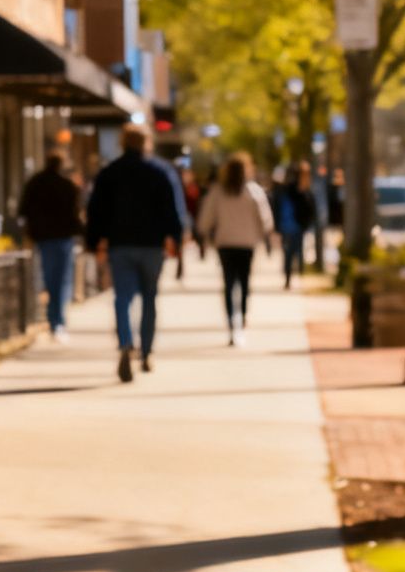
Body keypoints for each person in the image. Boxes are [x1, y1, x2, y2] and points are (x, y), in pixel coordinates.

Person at [85, 125, 187, 383]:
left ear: (123, 143)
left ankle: (125, 342)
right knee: (150, 298)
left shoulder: (110, 172)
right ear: (147, 143)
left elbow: (96, 210)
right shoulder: (161, 171)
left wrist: (93, 241)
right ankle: (147, 351)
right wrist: (176, 238)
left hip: (121, 245)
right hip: (152, 245)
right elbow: (174, 210)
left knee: (123, 297)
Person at [197, 155, 276, 346]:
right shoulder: (253, 191)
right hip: (246, 244)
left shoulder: (218, 192)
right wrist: (263, 236)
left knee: (229, 283)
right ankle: (242, 318)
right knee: (245, 283)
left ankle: (232, 323)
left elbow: (205, 219)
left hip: (225, 244)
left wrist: (205, 235)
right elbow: (266, 220)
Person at [17, 148, 85, 343]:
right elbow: (75, 215)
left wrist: (31, 232)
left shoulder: (35, 183)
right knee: (62, 280)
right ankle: (57, 320)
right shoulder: (67, 186)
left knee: (49, 278)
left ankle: (54, 319)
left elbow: (23, 210)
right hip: (62, 239)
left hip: (45, 239)